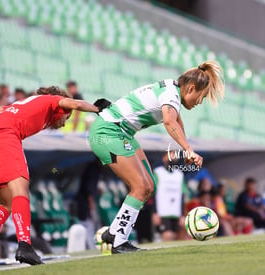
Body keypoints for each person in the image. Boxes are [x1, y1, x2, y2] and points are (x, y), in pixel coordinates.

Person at [0, 86, 99, 272]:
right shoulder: (52, 101)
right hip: (5, 137)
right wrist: (98, 109)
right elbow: (75, 103)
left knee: (5, 203)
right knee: (21, 191)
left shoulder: (18, 106)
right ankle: (25, 245)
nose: (64, 123)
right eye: (66, 117)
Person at [88, 60, 224, 253]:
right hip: (108, 132)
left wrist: (186, 148)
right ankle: (118, 241)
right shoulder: (171, 94)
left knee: (150, 186)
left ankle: (113, 232)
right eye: (201, 97)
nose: (200, 102)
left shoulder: (173, 90)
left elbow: (176, 118)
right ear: (191, 88)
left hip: (121, 133)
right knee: (140, 187)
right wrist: (188, 149)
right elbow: (169, 122)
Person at [152, 151, 186, 242]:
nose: (174, 157)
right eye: (171, 154)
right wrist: (155, 212)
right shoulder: (158, 172)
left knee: (177, 236)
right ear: (164, 158)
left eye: (175, 155)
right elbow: (154, 193)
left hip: (176, 212)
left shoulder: (180, 174)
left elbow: (182, 195)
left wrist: (182, 214)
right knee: (167, 235)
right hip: (163, 211)